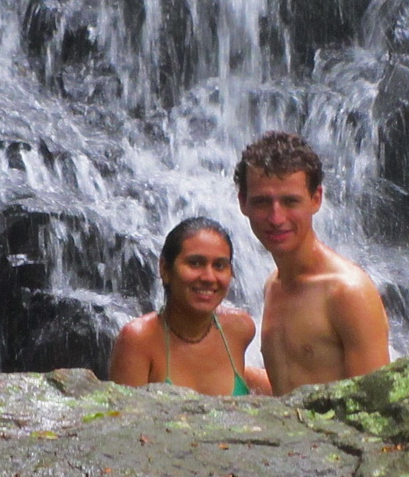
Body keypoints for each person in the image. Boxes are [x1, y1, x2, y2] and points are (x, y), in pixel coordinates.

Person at [235, 131, 390, 395]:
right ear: (243, 203)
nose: (276, 217)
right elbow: (292, 388)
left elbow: (376, 404)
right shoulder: (273, 285)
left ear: (316, 199)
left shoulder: (348, 292)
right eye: (262, 202)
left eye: (290, 201)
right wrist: (227, 366)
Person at [109, 217, 271, 395]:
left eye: (219, 265)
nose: (209, 277)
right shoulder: (138, 341)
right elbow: (125, 418)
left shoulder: (239, 328)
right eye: (195, 263)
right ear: (165, 268)